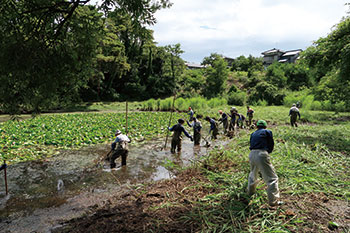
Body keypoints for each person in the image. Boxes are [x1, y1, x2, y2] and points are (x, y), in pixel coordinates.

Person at [247, 120, 281, 206]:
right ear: (265, 126)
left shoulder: (253, 133)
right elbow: (271, 143)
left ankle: (250, 193)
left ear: (257, 127)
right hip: (261, 154)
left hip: (251, 154)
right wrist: (267, 153)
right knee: (272, 178)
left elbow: (251, 144)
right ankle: (273, 201)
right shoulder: (267, 132)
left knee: (253, 174)